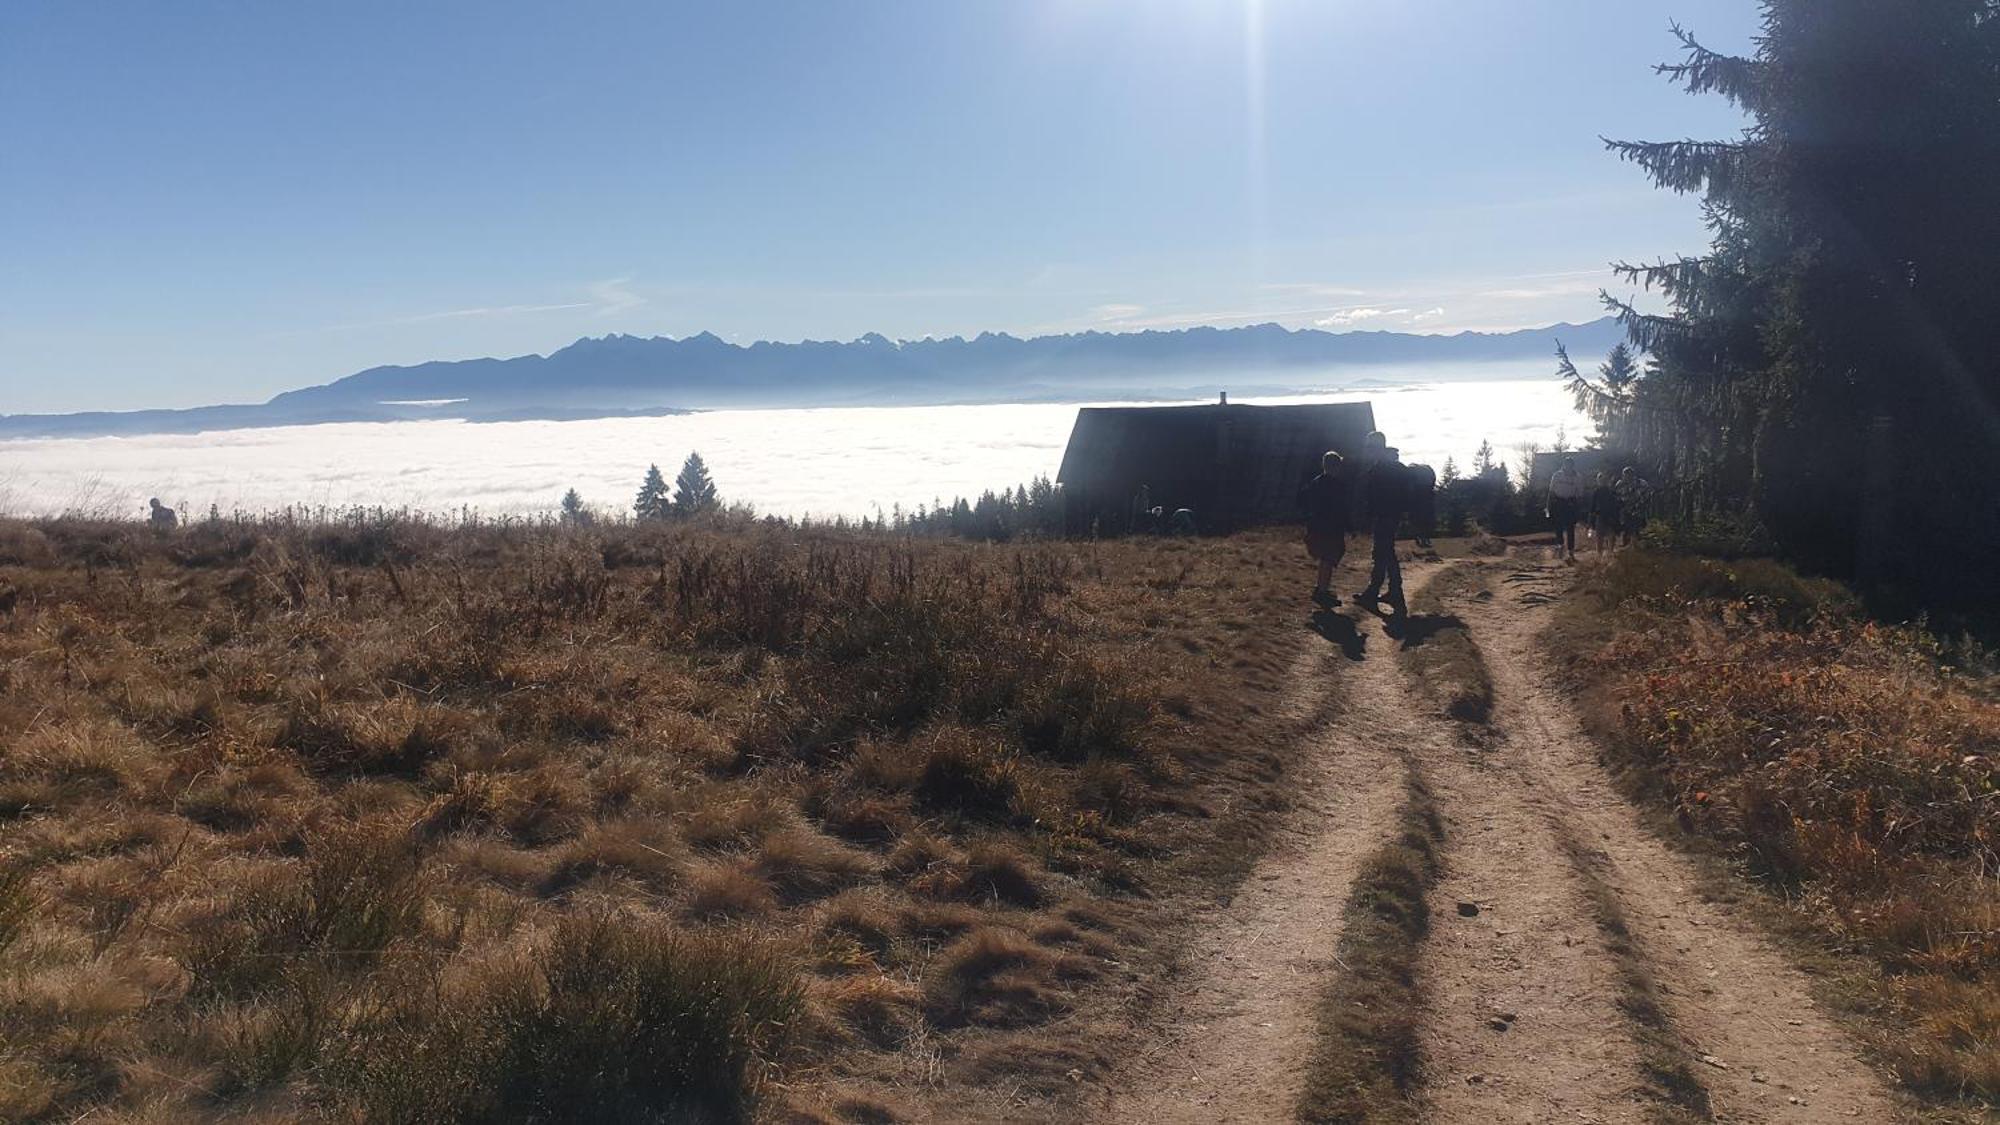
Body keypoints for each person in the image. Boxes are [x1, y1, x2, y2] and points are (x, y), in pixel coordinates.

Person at [1358, 445, 1407, 614]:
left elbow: (1373, 494)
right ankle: (1394, 591)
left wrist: (1368, 515)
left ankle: (1374, 591)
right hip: (1393, 516)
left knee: (1381, 553)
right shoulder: (1398, 469)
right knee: (1387, 552)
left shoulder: (1381, 468)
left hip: (1384, 516)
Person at [1296, 450, 1349, 606]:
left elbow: (1302, 500)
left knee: (1325, 559)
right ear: (1338, 466)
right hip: (1332, 528)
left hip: (1316, 526)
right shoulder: (1339, 486)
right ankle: (1322, 592)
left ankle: (1321, 588)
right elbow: (1342, 509)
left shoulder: (1315, 482)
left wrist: (1309, 516)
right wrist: (1350, 526)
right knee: (1328, 559)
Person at [1546, 455, 1585, 560]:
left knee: (1570, 527)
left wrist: (1579, 508)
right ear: (1564, 465)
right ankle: (1560, 544)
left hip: (1570, 503)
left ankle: (1571, 551)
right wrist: (1548, 506)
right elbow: (1551, 492)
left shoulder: (1577, 477)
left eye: (1570, 465)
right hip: (1558, 502)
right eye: (1566, 464)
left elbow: (1580, 494)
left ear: (1573, 466)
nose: (1568, 467)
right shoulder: (1557, 475)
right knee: (1558, 526)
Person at [1613, 466, 1650, 547]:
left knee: (1637, 528)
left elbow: (1647, 496)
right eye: (1625, 475)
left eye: (1629, 475)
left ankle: (1637, 545)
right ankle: (1627, 545)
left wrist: (1638, 504)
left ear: (1633, 475)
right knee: (1626, 528)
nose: (1627, 477)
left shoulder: (1641, 483)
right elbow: (1616, 497)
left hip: (1638, 510)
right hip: (1625, 510)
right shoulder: (1619, 484)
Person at [1405, 461, 1438, 548]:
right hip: (1421, 501)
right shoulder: (1425, 481)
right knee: (1422, 521)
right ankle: (1423, 538)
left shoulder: (1413, 477)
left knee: (1419, 521)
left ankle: (1422, 538)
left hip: (1418, 501)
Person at [1588, 471, 1620, 556]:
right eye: (1601, 479)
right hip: (1600, 516)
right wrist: (1591, 519)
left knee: (1611, 535)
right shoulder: (1596, 491)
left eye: (1604, 479)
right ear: (1598, 481)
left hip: (1611, 516)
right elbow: (1592, 506)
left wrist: (1616, 517)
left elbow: (1616, 505)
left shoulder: (1612, 491)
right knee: (1599, 537)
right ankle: (1599, 554)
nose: (1603, 481)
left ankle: (1610, 553)